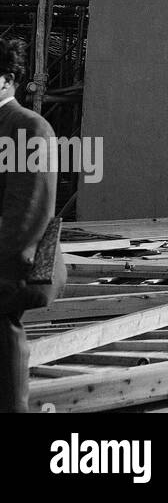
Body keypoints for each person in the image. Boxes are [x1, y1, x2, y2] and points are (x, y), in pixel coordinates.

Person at [0, 38, 65, 413]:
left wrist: (5, 270)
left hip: (14, 264)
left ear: (7, 80)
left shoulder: (27, 127)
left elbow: (29, 213)